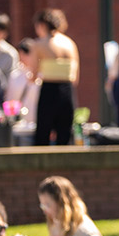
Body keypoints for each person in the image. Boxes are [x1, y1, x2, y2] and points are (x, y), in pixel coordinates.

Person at [31, 9, 79, 146]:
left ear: (42, 25)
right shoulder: (70, 44)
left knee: (42, 136)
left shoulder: (39, 44)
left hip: (49, 90)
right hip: (67, 91)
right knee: (65, 136)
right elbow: (75, 77)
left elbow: (33, 75)